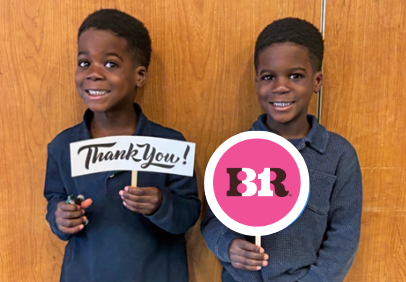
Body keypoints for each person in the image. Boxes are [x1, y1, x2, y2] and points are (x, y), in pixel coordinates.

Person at [44, 9, 201, 282]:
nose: (93, 74)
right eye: (84, 63)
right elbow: (55, 201)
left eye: (111, 64)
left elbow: (189, 213)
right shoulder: (62, 147)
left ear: (140, 76)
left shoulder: (170, 144)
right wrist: (61, 218)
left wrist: (161, 204)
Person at [201, 17, 362, 282]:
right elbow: (213, 220)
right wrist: (228, 246)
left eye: (295, 75)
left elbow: (344, 235)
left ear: (317, 81)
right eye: (268, 77)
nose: (280, 87)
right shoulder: (235, 151)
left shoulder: (339, 155)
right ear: (257, 83)